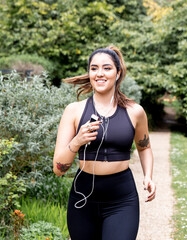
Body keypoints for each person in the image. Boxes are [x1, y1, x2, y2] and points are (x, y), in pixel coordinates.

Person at [52, 45, 156, 240]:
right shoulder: (73, 111)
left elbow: (145, 147)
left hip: (122, 200)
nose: (100, 73)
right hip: (82, 199)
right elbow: (59, 169)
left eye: (107, 68)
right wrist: (77, 141)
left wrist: (148, 175)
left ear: (118, 73)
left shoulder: (135, 112)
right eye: (94, 68)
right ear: (90, 73)